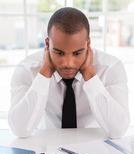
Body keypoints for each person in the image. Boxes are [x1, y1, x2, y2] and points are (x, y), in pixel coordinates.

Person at [8, 7, 129, 138]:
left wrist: (89, 74)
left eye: (77, 53)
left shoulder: (110, 68)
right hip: (48, 146)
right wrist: (44, 73)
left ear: (88, 44)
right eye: (59, 53)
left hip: (94, 147)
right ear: (47, 44)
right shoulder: (26, 69)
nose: (68, 63)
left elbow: (118, 131)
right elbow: (19, 130)